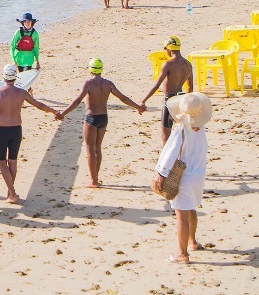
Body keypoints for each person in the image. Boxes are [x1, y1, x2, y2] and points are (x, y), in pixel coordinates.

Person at [56, 58, 145, 188]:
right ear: (101, 69)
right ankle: (95, 178)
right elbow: (123, 98)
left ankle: (93, 181)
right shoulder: (108, 84)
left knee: (90, 148)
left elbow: (77, 101)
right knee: (98, 148)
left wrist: (63, 113)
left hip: (91, 118)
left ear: (90, 69)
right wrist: (138, 107)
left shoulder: (88, 83)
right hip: (103, 118)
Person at [0, 64, 59, 203]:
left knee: (2, 162)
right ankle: (10, 193)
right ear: (15, 78)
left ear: (3, 77)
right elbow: (39, 105)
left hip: (2, 130)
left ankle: (12, 193)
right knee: (12, 161)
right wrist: (54, 111)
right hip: (16, 130)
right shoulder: (22, 93)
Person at [154, 93, 212, 263]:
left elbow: (170, 153)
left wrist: (161, 173)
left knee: (181, 216)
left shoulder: (180, 130)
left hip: (184, 176)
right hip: (199, 174)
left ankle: (182, 254)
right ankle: (192, 241)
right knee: (192, 208)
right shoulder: (200, 128)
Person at [141, 36, 194, 144]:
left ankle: (168, 158)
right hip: (181, 98)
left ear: (169, 48)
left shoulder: (169, 64)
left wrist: (143, 101)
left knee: (166, 133)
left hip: (169, 99)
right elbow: (190, 87)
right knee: (181, 132)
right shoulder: (188, 64)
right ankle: (179, 157)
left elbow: (157, 85)